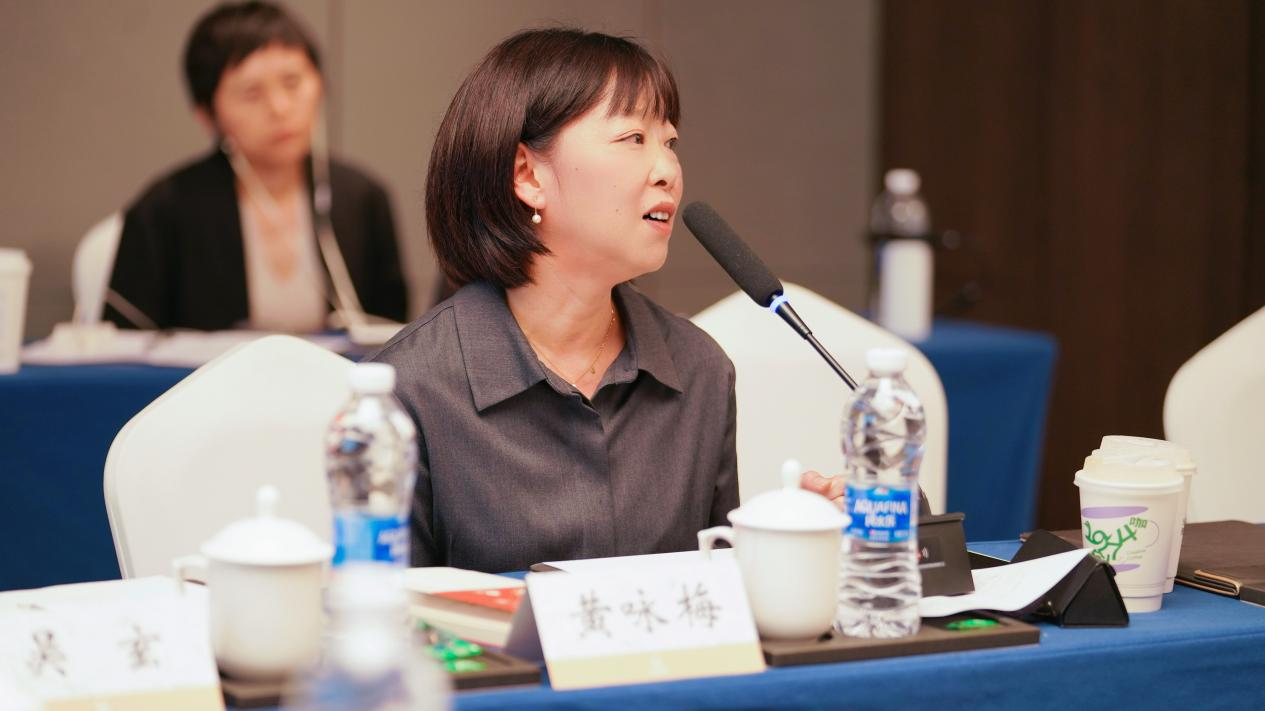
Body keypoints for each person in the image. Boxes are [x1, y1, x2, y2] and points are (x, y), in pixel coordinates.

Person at [370, 28, 738, 573]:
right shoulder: (413, 390)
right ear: (528, 175)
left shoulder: (698, 369)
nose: (667, 171)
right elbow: (387, 611)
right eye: (633, 138)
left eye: (670, 142)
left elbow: (721, 591)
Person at [105, 0, 407, 332]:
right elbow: (123, 344)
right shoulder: (164, 210)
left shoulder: (363, 200)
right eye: (252, 93)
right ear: (207, 115)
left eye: (292, 82)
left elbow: (397, 337)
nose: (280, 107)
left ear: (320, 83)